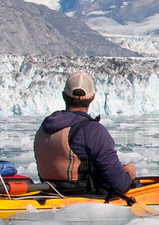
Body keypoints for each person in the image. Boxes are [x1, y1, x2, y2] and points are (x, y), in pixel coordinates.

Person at [33, 71, 138, 199]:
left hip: (50, 193)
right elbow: (119, 185)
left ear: (64, 96)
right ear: (92, 97)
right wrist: (129, 174)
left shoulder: (44, 127)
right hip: (86, 198)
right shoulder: (93, 131)